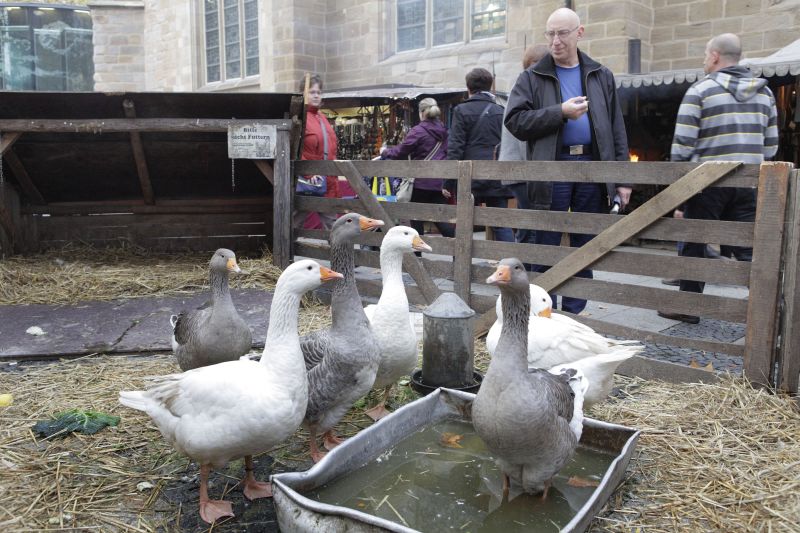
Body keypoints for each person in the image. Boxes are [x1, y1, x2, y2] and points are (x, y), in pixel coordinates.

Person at [504, 7, 632, 314]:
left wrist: (624, 178)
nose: (555, 41)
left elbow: (616, 128)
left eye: (562, 33)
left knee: (584, 243)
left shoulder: (601, 75)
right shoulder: (531, 77)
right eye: (550, 34)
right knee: (545, 242)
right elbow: (515, 121)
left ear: (579, 33)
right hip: (552, 167)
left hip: (591, 167)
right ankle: (543, 312)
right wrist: (559, 112)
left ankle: (574, 313)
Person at [657, 33, 778, 324]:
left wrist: (680, 196)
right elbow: (771, 147)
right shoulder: (765, 94)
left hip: (706, 185)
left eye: (704, 54)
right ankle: (767, 312)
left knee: (695, 245)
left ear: (714, 56)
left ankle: (689, 307)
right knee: (748, 248)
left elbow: (681, 148)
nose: (703, 60)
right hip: (747, 183)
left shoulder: (700, 91)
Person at [445, 67, 514, 243]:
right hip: (496, 174)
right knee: (501, 223)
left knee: (464, 222)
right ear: (490, 86)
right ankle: (511, 259)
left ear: (468, 87)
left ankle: (460, 260)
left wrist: (448, 181)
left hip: (469, 176)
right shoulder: (501, 110)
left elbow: (455, 147)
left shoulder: (461, 110)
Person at [380, 97, 455, 239]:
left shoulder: (417, 131)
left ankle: (418, 252)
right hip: (440, 183)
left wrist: (384, 152)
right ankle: (459, 247)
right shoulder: (446, 131)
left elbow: (400, 152)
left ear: (421, 113)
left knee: (416, 220)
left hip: (421, 183)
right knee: (441, 220)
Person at [501, 44, 550, 254]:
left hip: (517, 166)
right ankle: (526, 269)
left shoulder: (524, 84)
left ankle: (520, 267)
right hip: (522, 167)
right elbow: (525, 131)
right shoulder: (528, 84)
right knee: (531, 225)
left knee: (527, 223)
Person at [297, 74, 339, 230]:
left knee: (333, 226)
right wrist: (308, 172)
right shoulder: (299, 118)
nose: (316, 95)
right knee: (294, 224)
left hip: (327, 179)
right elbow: (294, 149)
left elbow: (330, 150)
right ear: (303, 93)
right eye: (312, 92)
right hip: (306, 181)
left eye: (318, 92)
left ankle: (338, 249)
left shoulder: (322, 118)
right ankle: (286, 247)